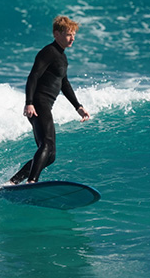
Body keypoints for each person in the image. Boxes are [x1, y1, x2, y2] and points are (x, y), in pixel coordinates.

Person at [7, 16, 90, 185]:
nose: (72, 38)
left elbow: (64, 84)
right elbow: (33, 76)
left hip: (45, 105)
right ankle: (32, 181)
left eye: (74, 35)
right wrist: (29, 102)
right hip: (38, 103)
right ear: (57, 34)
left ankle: (13, 182)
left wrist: (78, 107)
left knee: (50, 155)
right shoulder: (48, 52)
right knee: (46, 144)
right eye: (68, 34)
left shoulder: (62, 57)